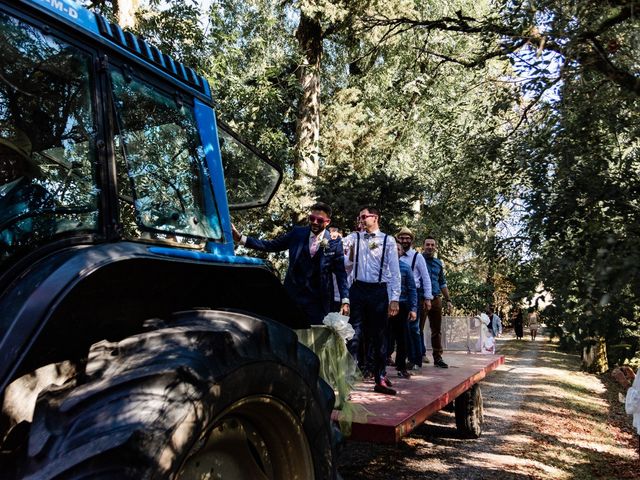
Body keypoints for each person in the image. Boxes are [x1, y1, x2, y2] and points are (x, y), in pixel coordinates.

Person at [232, 202, 350, 325]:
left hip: (318, 301)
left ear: (327, 222)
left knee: (316, 338)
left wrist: (345, 300)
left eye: (319, 220)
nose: (314, 222)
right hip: (293, 296)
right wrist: (241, 238)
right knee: (290, 332)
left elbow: (341, 273)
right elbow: (271, 245)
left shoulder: (334, 242)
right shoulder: (297, 233)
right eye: (312, 218)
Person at [344, 206, 401, 395]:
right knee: (353, 333)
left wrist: (394, 298)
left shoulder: (388, 240)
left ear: (374, 217)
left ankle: (380, 377)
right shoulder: (355, 237)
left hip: (378, 291)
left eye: (363, 216)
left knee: (379, 336)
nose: (360, 219)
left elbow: (395, 272)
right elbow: (341, 249)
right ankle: (349, 377)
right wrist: (333, 238)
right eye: (359, 216)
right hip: (358, 289)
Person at [396, 227, 433, 369]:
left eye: (407, 238)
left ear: (411, 240)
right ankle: (401, 359)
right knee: (400, 329)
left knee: (413, 327)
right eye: (402, 238)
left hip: (414, 294)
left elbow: (426, 278)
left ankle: (416, 359)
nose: (405, 240)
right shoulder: (394, 255)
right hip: (397, 295)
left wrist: (428, 298)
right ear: (398, 239)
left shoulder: (417, 257)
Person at [387, 243, 418, 379]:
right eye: (393, 249)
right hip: (384, 306)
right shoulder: (383, 267)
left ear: (401, 253)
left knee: (402, 338)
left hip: (402, 305)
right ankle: (376, 367)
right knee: (382, 337)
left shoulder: (406, 268)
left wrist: (413, 309)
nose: (396, 251)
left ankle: (401, 367)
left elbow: (412, 289)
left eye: (398, 249)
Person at [422, 236, 452, 368]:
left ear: (435, 247)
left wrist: (448, 300)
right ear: (423, 246)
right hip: (421, 298)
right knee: (417, 328)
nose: (430, 247)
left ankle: (438, 358)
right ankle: (418, 355)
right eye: (427, 244)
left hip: (436, 299)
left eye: (432, 245)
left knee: (437, 330)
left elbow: (442, 283)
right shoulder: (418, 259)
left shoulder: (438, 263)